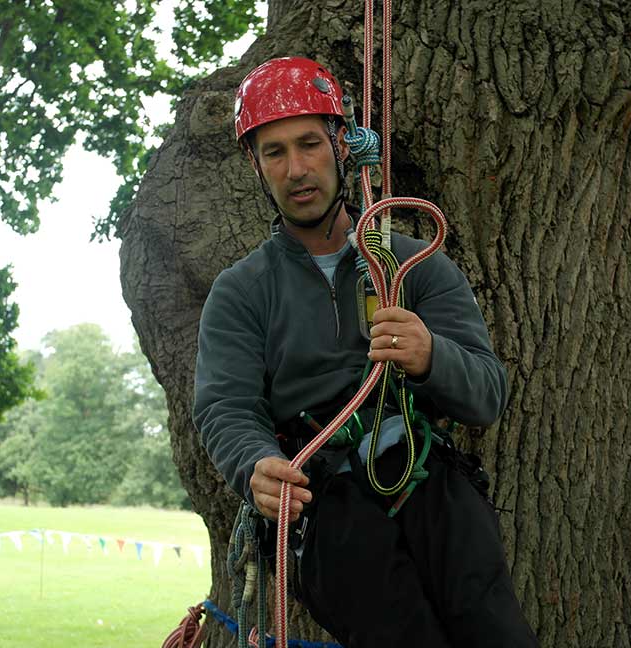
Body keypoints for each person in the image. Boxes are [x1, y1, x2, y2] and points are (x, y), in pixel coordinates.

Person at [193, 56, 538, 648]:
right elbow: (225, 407)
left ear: (342, 146)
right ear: (256, 164)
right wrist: (256, 465)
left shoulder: (411, 264)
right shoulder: (243, 290)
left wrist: (430, 356)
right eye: (274, 152)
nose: (297, 169)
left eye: (309, 144)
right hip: (325, 505)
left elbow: (487, 392)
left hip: (427, 483)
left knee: (496, 633)